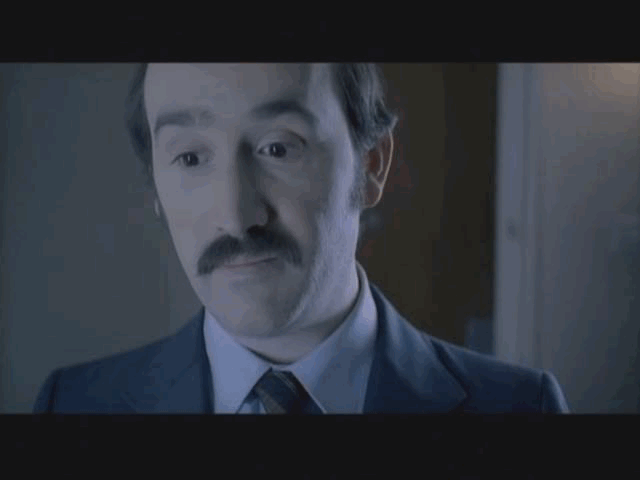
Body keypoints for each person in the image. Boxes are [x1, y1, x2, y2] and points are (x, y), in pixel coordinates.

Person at [33, 63, 570, 413]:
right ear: (155, 185)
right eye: (190, 157)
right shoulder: (71, 407)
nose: (237, 218)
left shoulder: (525, 411)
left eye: (278, 148)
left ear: (372, 164)